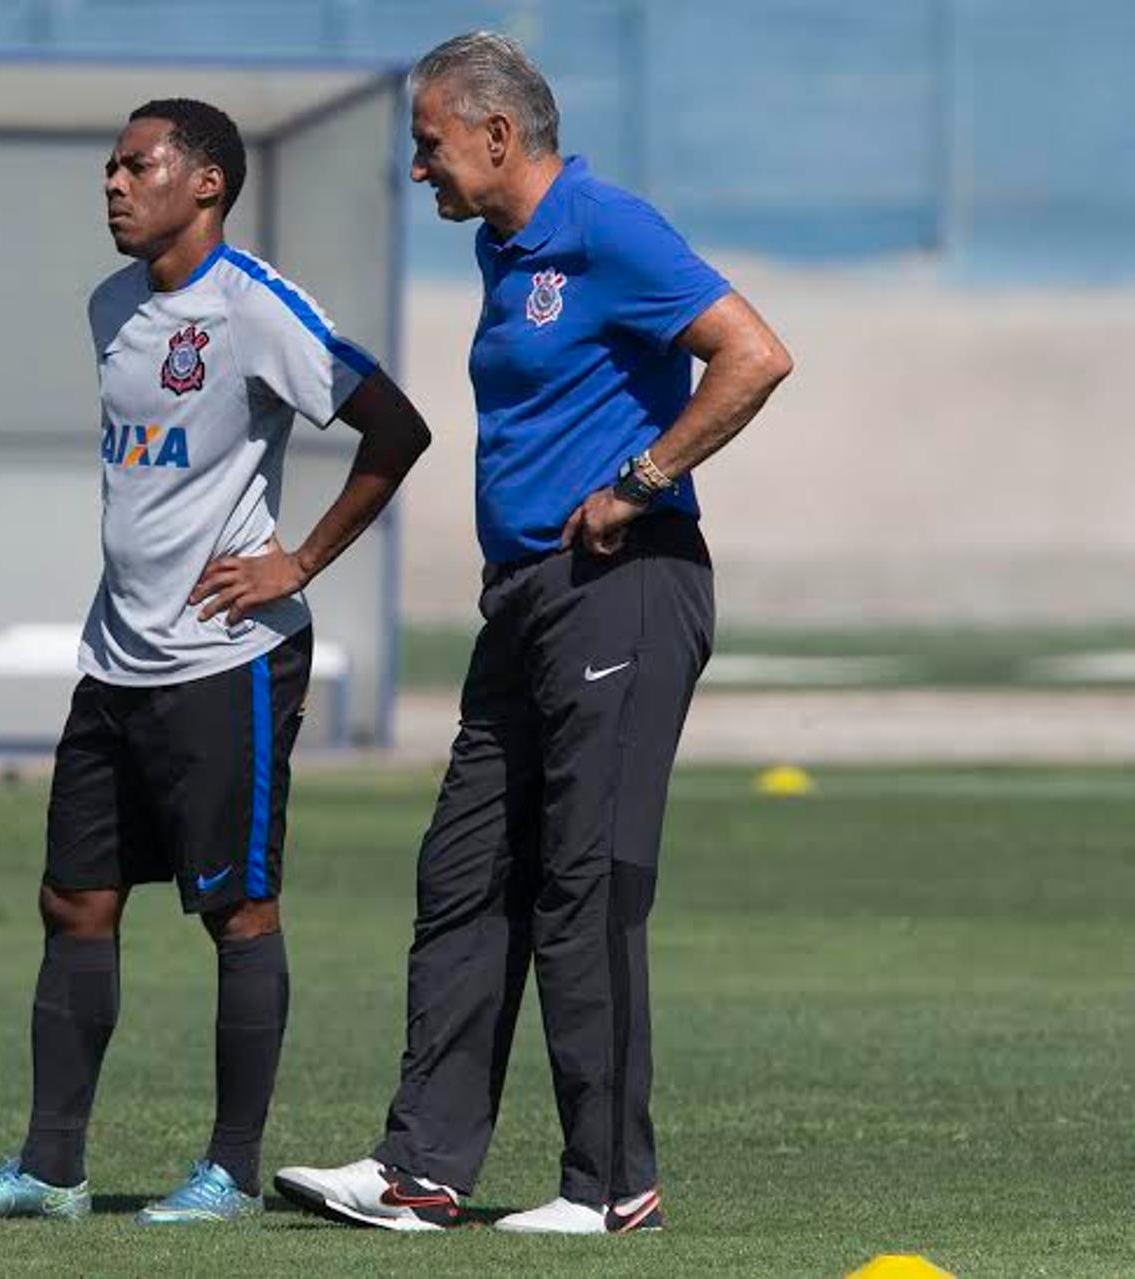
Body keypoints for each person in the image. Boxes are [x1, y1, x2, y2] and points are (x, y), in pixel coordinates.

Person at [274, 32, 793, 1235]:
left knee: (583, 882)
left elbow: (755, 355)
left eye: (429, 144)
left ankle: (610, 1185)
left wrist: (643, 477)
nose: (420, 170)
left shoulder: (607, 227)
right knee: (463, 871)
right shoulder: (500, 252)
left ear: (498, 136)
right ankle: (421, 1170)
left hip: (624, 584)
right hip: (524, 602)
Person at [0, 98, 432, 1227]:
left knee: (238, 910)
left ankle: (229, 1169)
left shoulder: (258, 310)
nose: (113, 183)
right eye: (107, 166)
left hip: (229, 662)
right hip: (116, 659)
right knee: (73, 898)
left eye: (137, 164)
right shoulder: (111, 307)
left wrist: (297, 560)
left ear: (205, 184)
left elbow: (396, 428)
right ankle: (53, 1166)